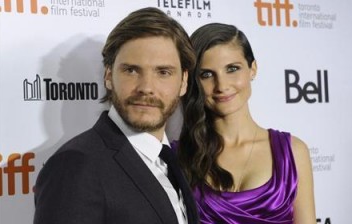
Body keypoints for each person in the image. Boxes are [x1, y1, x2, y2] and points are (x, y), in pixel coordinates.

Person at [33, 7, 199, 224]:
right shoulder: (75, 166)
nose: (146, 87)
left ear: (184, 81)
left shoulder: (171, 158)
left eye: (163, 72)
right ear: (109, 76)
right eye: (131, 70)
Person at [176, 23, 316, 224]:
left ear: (253, 69)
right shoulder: (179, 156)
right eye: (206, 74)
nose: (222, 86)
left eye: (232, 69)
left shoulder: (293, 152)